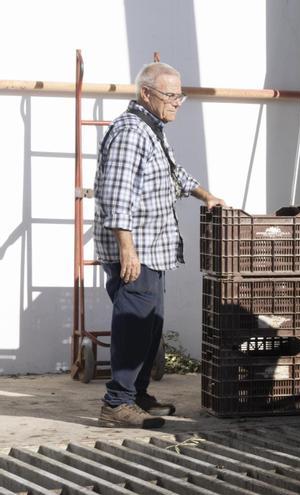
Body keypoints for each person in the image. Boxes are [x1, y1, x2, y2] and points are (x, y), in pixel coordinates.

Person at [94, 62, 225, 428]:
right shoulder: (130, 132)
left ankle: (136, 396)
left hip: (154, 250)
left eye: (179, 95)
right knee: (134, 325)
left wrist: (206, 195)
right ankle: (116, 404)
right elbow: (116, 195)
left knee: (151, 326)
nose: (177, 102)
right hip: (137, 251)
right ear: (146, 94)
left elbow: (173, 172)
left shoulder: (153, 129)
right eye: (170, 95)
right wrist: (127, 249)